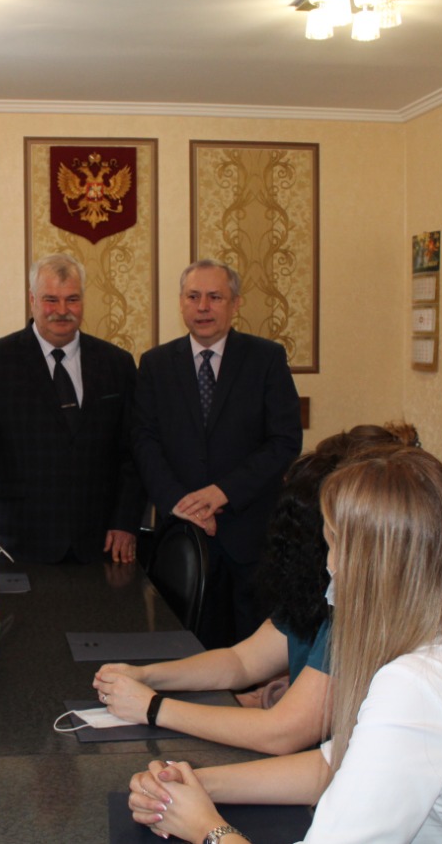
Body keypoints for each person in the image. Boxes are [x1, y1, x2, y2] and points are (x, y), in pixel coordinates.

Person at [126, 446, 442, 844]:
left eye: (332, 544)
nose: (328, 564)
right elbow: (337, 762)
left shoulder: (417, 686)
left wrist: (207, 828)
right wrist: (200, 784)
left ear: (370, 562)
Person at [92, 425, 413, 755]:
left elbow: (285, 733)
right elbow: (242, 661)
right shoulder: (323, 593)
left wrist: (152, 707)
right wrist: (145, 675)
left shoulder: (359, 612)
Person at [134, 260, 302, 647]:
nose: (203, 307)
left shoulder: (266, 359)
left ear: (235, 303)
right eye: (193, 296)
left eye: (215, 297)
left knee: (253, 654)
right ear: (181, 303)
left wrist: (222, 493)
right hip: (183, 538)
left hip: (251, 537)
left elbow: (284, 441)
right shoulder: (155, 364)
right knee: (185, 649)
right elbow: (143, 441)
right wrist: (180, 502)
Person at [0, 252, 144, 564]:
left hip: (101, 545)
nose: (62, 311)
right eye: (51, 300)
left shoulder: (117, 364)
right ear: (32, 300)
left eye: (72, 299)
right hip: (16, 544)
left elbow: (133, 454)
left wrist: (126, 521)